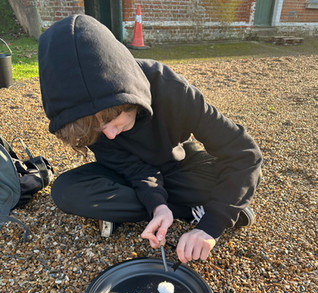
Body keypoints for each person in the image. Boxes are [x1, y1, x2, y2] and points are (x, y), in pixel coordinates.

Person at [38, 14, 262, 264]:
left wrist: (211, 227)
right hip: (128, 174)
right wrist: (158, 206)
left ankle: (199, 209)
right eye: (100, 131)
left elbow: (245, 154)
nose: (110, 135)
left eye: (113, 121)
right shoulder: (84, 116)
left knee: (228, 180)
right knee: (66, 191)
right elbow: (131, 168)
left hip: (177, 163)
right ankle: (188, 209)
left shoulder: (170, 88)